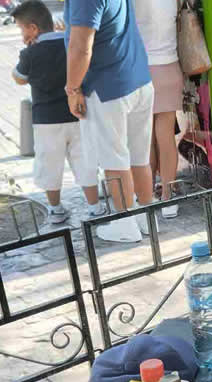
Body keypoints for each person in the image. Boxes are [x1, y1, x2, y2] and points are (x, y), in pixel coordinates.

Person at [65, 0, 155, 242]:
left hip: (107, 87)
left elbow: (80, 48)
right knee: (138, 157)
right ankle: (146, 216)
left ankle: (125, 223)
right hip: (138, 79)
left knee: (114, 158)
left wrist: (72, 90)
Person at [10, 0, 104, 224]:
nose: (22, 33)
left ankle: (56, 209)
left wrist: (29, 49)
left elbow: (18, 78)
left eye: (21, 29)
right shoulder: (68, 43)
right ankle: (95, 207)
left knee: (48, 164)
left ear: (32, 29)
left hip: (46, 122)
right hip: (77, 115)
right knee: (85, 161)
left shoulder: (29, 54)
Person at [134, 0, 182, 219]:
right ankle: (168, 198)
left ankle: (147, 195)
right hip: (170, 66)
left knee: (146, 137)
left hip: (141, 67)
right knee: (166, 137)